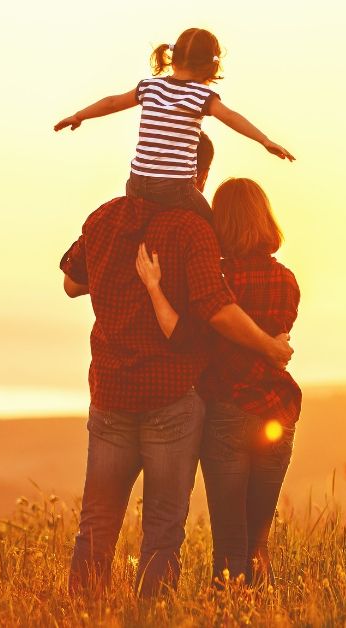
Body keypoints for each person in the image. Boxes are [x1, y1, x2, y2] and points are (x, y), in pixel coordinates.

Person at [59, 139, 293, 597]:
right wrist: (268, 345)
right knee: (164, 525)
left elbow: (71, 283)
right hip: (171, 396)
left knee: (97, 518)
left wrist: (121, 278)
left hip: (111, 393)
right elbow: (214, 307)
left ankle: (82, 612)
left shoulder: (105, 217)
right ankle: (152, 613)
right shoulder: (192, 229)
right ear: (197, 175)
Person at [135, 177, 300, 586]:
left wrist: (155, 288)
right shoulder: (287, 280)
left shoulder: (216, 281)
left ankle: (228, 614)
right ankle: (264, 615)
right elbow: (279, 336)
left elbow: (185, 334)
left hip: (226, 413)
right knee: (258, 540)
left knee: (230, 542)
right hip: (277, 412)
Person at [53, 27, 294, 222]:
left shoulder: (150, 86)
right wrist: (264, 140)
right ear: (211, 65)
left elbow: (112, 102)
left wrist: (79, 115)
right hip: (175, 188)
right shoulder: (201, 96)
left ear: (173, 57)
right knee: (208, 226)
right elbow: (231, 117)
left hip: (137, 182)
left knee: (135, 222)